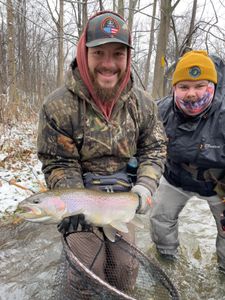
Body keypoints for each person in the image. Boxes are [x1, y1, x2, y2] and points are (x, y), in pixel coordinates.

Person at [37, 10, 167, 294]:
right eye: (99, 53)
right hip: (81, 196)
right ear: (84, 54)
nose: (109, 64)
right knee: (86, 270)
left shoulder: (143, 105)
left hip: (123, 199)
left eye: (118, 54)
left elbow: (155, 149)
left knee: (124, 270)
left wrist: (145, 187)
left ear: (128, 58)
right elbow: (58, 162)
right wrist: (72, 201)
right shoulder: (57, 106)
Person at [150, 50, 225, 272]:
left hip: (218, 185)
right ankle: (167, 261)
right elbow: (143, 147)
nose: (191, 94)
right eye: (184, 87)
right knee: (159, 219)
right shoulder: (160, 110)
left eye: (199, 86)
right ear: (174, 88)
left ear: (211, 86)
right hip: (175, 176)